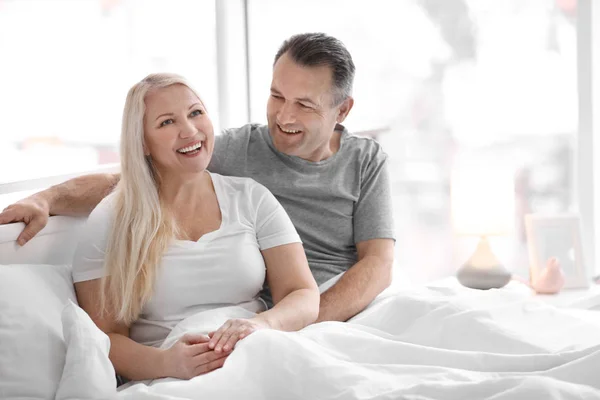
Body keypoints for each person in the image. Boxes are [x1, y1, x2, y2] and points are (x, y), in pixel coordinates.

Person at [0, 32, 395, 323]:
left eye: (304, 105)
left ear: (342, 111)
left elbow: (377, 264)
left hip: (336, 311)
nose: (284, 117)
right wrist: (47, 199)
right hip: (275, 316)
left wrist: (309, 319)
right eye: (277, 96)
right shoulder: (234, 151)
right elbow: (135, 176)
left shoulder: (366, 159)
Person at [70, 73, 320, 381]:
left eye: (195, 113)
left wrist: (263, 324)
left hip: (260, 353)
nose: (189, 131)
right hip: (171, 377)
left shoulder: (251, 197)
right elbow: (105, 338)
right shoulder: (110, 220)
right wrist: (166, 364)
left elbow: (303, 294)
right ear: (142, 143)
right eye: (167, 122)